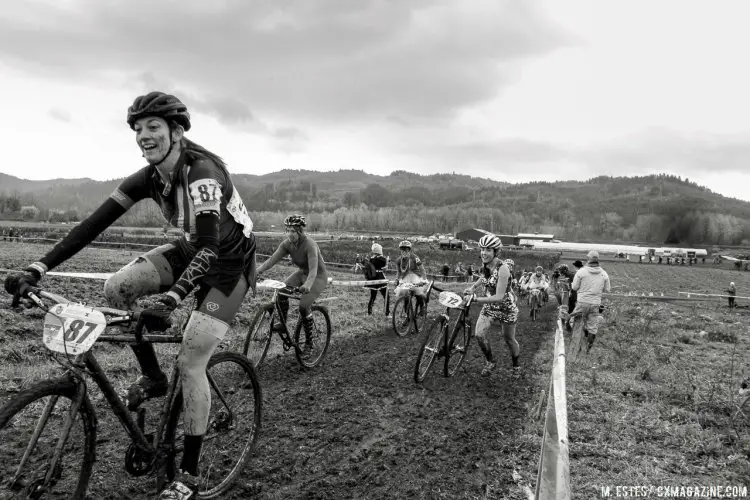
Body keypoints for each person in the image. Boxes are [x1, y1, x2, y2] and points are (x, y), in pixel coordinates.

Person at [4, 91, 257, 499]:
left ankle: (189, 476)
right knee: (117, 288)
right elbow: (92, 225)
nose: (144, 136)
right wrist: (38, 266)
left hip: (227, 268)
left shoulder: (202, 172)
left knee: (192, 361)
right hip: (193, 250)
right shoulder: (148, 178)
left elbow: (211, 245)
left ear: (176, 132)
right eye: (138, 129)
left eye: (153, 127)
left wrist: (173, 298)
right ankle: (154, 378)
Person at [255, 214, 328, 348]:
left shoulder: (310, 244)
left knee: (303, 306)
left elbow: (313, 270)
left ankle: (309, 344)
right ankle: (283, 324)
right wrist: (256, 272)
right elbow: (271, 260)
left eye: (293, 231)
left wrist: (308, 285)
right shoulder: (287, 244)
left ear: (300, 231)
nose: (290, 234)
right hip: (301, 273)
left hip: (317, 276)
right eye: (287, 230)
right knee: (282, 291)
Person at [463, 234, 519, 377]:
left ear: (496, 252)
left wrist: (476, 299)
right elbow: (484, 278)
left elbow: (499, 297)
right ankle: (490, 361)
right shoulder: (485, 264)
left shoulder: (503, 268)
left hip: (506, 307)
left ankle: (516, 365)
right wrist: (472, 288)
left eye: (488, 250)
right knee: (479, 335)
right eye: (482, 249)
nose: (484, 253)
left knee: (509, 339)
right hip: (490, 306)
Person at [571, 250, 611, 353]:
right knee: (592, 327)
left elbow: (574, 287)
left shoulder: (581, 272)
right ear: (597, 260)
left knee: (577, 323)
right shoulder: (603, 273)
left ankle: (576, 348)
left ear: (588, 259)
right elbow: (607, 289)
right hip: (595, 303)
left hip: (582, 302)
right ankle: (587, 350)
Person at [394, 240, 427, 314]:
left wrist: (424, 279)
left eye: (406, 249)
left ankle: (422, 307)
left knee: (418, 291)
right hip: (405, 279)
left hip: (415, 276)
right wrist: (396, 279)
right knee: (406, 297)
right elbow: (399, 271)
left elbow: (422, 269)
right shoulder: (399, 260)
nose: (404, 251)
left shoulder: (415, 258)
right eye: (402, 249)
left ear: (409, 250)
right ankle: (407, 316)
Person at [364, 243, 389, 316]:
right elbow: (385, 269)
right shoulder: (382, 258)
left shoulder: (371, 258)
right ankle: (387, 313)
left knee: (373, 296)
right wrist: (387, 261)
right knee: (386, 296)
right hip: (380, 277)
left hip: (373, 277)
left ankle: (369, 312)